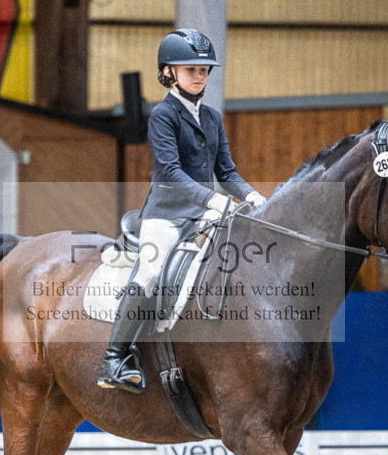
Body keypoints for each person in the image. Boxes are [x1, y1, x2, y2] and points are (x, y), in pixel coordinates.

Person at [97, 28, 267, 393]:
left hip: (205, 213)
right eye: (191, 70)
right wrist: (213, 200)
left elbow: (226, 172)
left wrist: (254, 196)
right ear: (169, 72)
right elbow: (171, 172)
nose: (200, 76)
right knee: (151, 273)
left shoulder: (213, 117)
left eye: (204, 70)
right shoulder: (162, 115)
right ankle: (114, 358)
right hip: (167, 214)